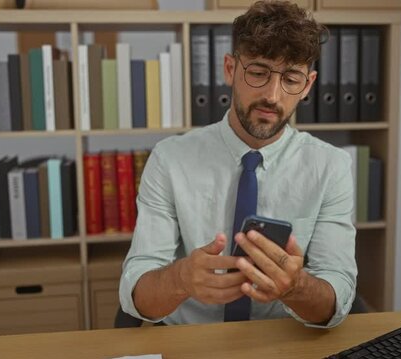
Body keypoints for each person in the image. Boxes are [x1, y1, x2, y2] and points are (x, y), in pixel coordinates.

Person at [119, 0, 357, 328]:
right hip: (191, 343)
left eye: (291, 79)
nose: (273, 95)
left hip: (282, 344)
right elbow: (135, 295)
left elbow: (338, 299)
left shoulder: (331, 167)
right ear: (230, 69)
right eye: (258, 73)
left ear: (308, 86)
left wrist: (295, 286)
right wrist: (181, 278)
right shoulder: (169, 159)